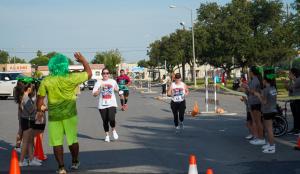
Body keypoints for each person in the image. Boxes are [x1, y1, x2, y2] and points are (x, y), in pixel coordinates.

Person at [37, 53, 92, 174]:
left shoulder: (46, 81)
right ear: (65, 65)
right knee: (72, 139)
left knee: (57, 142)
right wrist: (83, 60)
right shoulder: (71, 78)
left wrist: (41, 110)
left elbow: (40, 101)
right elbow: (89, 73)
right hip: (70, 115)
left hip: (54, 116)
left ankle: (61, 168)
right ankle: (75, 161)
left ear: (51, 66)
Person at [14, 78, 42, 167]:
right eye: (31, 87)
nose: (32, 88)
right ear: (28, 88)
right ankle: (21, 161)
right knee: (26, 141)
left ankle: (31, 159)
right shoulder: (25, 97)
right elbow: (31, 110)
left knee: (30, 141)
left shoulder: (24, 96)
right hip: (28, 121)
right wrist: (39, 107)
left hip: (27, 120)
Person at [93, 68, 119, 142]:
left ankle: (113, 130)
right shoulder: (98, 82)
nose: (105, 75)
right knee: (105, 121)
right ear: (102, 74)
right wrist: (99, 89)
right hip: (102, 104)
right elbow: (94, 94)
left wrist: (118, 90)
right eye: (104, 73)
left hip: (112, 103)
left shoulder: (113, 81)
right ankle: (107, 135)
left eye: (107, 73)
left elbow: (117, 89)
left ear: (109, 74)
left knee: (112, 118)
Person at [254, 74, 277, 153]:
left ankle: (272, 147)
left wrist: (258, 95)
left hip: (267, 111)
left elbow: (264, 102)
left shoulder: (266, 90)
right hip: (273, 109)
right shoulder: (273, 88)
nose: (262, 81)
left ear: (266, 81)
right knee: (268, 129)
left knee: (269, 129)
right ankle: (270, 143)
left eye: (263, 80)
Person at [241, 66, 265, 145]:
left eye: (249, 72)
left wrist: (246, 88)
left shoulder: (255, 80)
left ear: (252, 72)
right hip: (253, 102)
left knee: (257, 121)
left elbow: (252, 91)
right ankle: (258, 137)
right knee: (256, 121)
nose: (249, 73)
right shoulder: (254, 80)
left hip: (256, 102)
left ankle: (260, 138)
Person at [285, 68, 300, 135]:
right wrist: (288, 82)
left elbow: (290, 88)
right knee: (295, 115)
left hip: (298, 100)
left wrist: (286, 83)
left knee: (298, 115)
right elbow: (288, 89)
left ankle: (298, 130)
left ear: (294, 73)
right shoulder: (293, 80)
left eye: (290, 73)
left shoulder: (298, 80)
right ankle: (295, 129)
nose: (289, 74)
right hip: (293, 100)